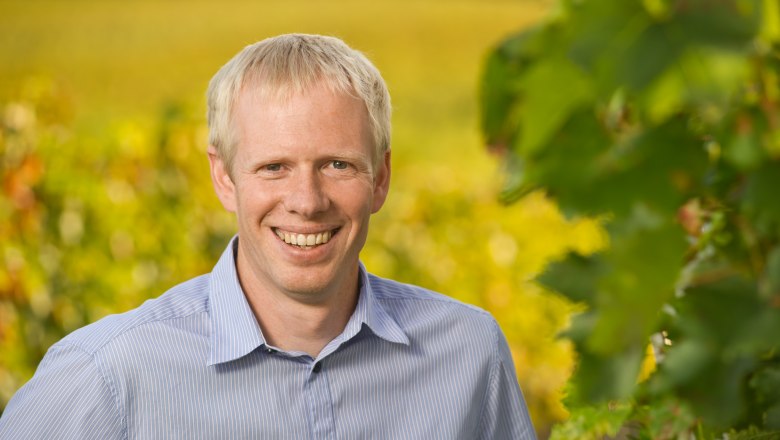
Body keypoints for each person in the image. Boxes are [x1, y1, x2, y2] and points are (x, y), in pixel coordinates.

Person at [0, 34, 536, 439]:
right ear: (224, 177)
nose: (307, 200)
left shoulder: (468, 355)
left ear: (381, 178)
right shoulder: (106, 378)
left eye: (337, 164)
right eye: (275, 167)